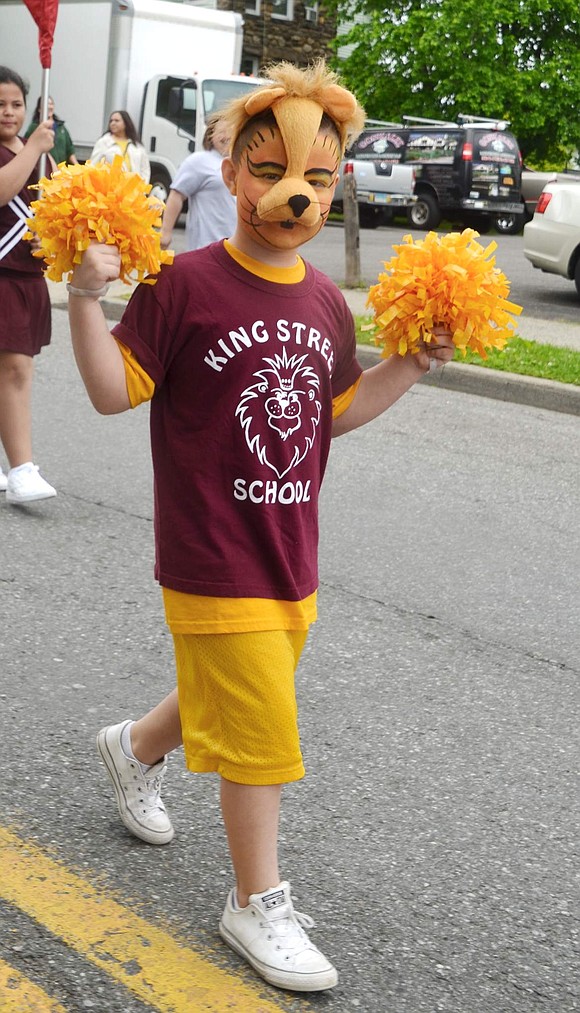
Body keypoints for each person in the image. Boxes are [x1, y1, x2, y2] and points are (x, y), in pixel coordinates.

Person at [66, 61, 454, 993]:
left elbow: (334, 411)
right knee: (260, 727)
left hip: (291, 548)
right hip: (209, 548)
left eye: (318, 179)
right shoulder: (185, 285)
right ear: (232, 172)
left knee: (236, 692)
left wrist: (409, 367)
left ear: (335, 188)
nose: (296, 193)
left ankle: (136, 746)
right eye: (274, 169)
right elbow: (115, 393)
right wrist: (84, 297)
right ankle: (255, 898)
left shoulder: (324, 300)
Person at [0, 66, 57, 503]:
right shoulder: (32, 150)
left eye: (16, 104)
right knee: (15, 370)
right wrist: (35, 145)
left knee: (12, 370)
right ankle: (21, 470)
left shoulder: (42, 153)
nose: (8, 113)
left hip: (28, 275)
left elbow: (52, 207)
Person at [160, 113, 236, 251]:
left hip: (235, 248)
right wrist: (166, 232)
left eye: (231, 131)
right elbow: (176, 195)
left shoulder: (242, 164)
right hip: (206, 247)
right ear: (210, 136)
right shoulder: (199, 161)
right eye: (221, 132)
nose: (226, 137)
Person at [90, 110, 150, 182]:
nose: (113, 123)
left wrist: (142, 187)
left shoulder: (137, 145)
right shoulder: (103, 142)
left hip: (134, 189)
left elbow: (145, 169)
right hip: (112, 190)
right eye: (111, 121)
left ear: (126, 123)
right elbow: (93, 166)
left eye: (117, 120)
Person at [25, 96, 78, 166]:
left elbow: (70, 150)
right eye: (46, 104)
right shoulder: (34, 127)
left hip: (61, 173)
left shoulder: (61, 127)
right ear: (39, 109)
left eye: (51, 104)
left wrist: (78, 166)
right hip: (43, 171)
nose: (49, 107)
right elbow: (26, 148)